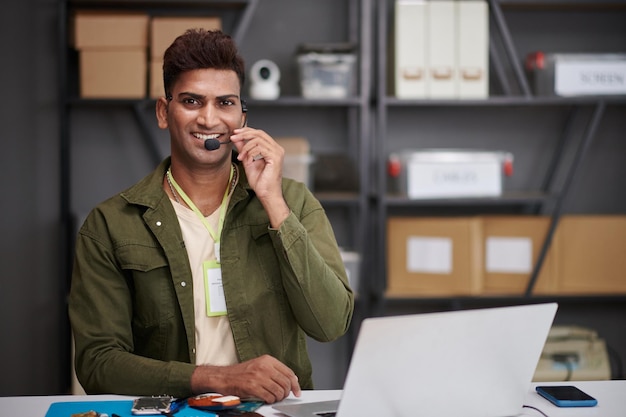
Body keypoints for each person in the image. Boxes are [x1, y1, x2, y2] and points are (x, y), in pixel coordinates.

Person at [68, 29, 354, 403]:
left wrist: (273, 201)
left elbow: (331, 323)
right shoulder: (110, 224)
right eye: (191, 101)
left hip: (271, 412)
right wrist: (216, 378)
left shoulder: (291, 201)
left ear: (242, 117)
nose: (208, 118)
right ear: (163, 112)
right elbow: (98, 364)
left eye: (225, 103)